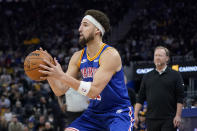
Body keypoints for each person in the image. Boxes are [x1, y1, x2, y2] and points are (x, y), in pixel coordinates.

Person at [39, 9, 134, 131]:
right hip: (94, 114)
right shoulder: (77, 56)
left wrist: (62, 76)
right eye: (80, 25)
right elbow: (60, 90)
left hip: (118, 113)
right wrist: (49, 72)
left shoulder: (110, 55)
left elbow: (94, 91)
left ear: (97, 30)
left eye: (85, 25)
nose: (79, 29)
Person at [134, 46, 184, 131]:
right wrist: (135, 115)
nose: (157, 58)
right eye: (155, 55)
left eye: (160, 55)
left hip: (169, 119)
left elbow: (180, 97)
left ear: (167, 58)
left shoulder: (175, 75)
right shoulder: (147, 76)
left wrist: (178, 115)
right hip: (150, 119)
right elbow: (140, 98)